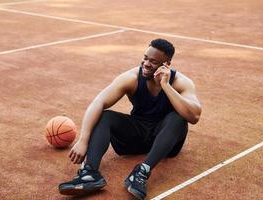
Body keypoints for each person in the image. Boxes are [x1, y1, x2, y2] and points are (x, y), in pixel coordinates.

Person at [58, 38, 202, 199]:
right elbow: (99, 102)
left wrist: (166, 86)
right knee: (105, 116)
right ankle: (90, 174)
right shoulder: (131, 78)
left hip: (165, 140)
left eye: (153, 61)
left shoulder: (181, 83)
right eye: (145, 58)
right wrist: (83, 140)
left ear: (167, 64)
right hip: (137, 135)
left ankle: (142, 172)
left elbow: (194, 116)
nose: (146, 64)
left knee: (179, 118)